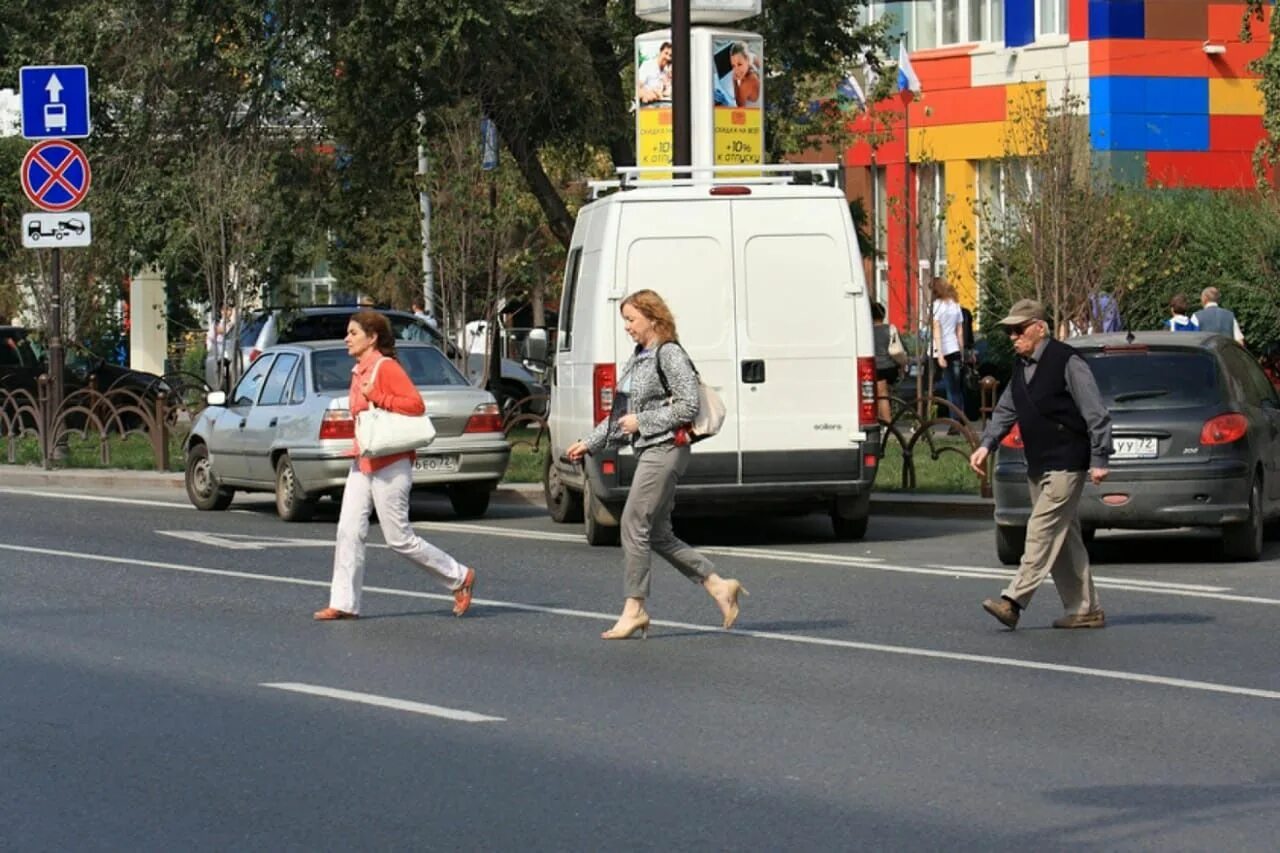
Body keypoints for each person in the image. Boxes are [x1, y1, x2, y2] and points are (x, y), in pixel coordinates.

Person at [564, 289, 748, 640]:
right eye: (625, 321)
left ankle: (635, 608)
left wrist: (642, 422)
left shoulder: (669, 354)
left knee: (633, 522)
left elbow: (687, 408)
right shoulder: (638, 358)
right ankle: (719, 586)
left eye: (631, 319)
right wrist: (587, 442)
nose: (628, 327)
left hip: (666, 449)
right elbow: (620, 417)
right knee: (659, 534)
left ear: (653, 318)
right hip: (650, 449)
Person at [314, 310, 477, 621]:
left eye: (353, 333)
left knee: (398, 538)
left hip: (391, 462)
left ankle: (459, 577)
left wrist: (378, 395)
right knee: (348, 530)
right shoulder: (358, 369)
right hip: (363, 460)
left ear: (372, 337)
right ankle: (344, 603)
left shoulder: (385, 367)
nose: (346, 338)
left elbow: (415, 405)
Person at [968, 299, 1111, 630]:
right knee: (1064, 538)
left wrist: (1100, 457)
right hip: (1039, 462)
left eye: (1018, 330)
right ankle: (1085, 608)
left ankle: (1013, 602)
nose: (1012, 337)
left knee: (1041, 530)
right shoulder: (1022, 366)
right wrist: (986, 445)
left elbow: (1095, 411)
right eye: (1010, 332)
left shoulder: (1067, 361)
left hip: (1067, 461)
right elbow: (1005, 409)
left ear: (1039, 327)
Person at [930, 279, 965, 420]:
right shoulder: (955, 305)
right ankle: (960, 419)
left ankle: (951, 420)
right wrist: (961, 353)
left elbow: (936, 329)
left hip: (941, 349)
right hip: (954, 348)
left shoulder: (936, 306)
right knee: (956, 388)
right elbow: (960, 331)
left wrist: (940, 354)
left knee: (939, 386)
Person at [871, 301, 907, 424]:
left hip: (876, 367)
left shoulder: (867, 331)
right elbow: (900, 348)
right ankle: (884, 421)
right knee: (882, 394)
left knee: (880, 395)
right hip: (890, 366)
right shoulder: (890, 328)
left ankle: (887, 422)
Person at [729, 41, 761, 107]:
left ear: (748, 60)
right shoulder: (752, 57)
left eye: (739, 64)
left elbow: (739, 106)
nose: (736, 70)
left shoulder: (747, 83)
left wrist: (734, 81)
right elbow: (756, 61)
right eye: (733, 66)